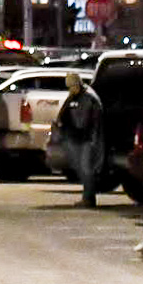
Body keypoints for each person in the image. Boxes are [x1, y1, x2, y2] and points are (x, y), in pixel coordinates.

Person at [54, 74, 101, 206]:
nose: (70, 89)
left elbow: (87, 121)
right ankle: (87, 197)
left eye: (72, 86)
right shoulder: (74, 97)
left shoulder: (88, 98)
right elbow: (64, 115)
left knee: (86, 169)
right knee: (82, 168)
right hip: (77, 138)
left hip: (86, 139)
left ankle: (89, 198)